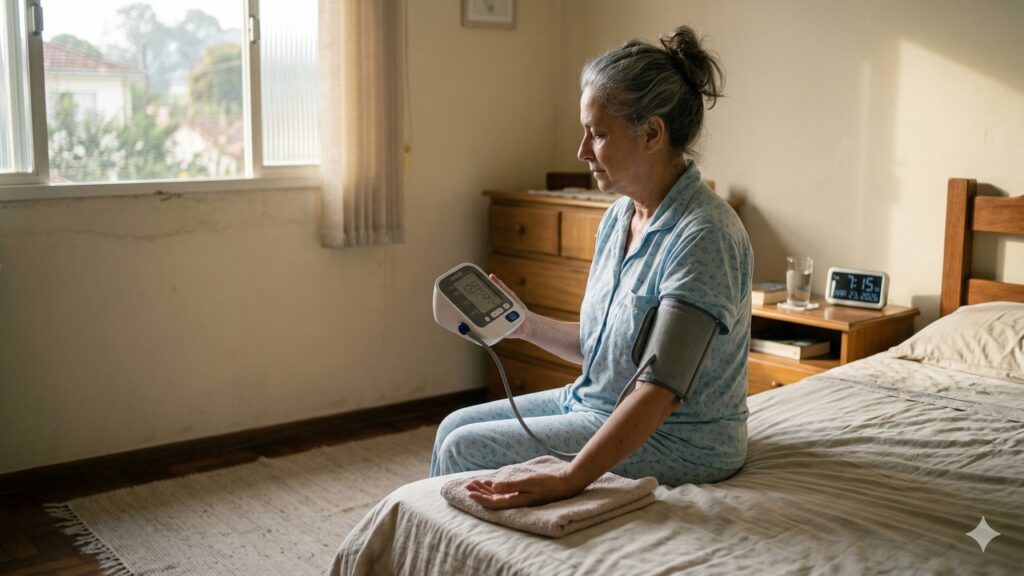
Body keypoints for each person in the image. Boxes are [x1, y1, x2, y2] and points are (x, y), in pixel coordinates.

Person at [430, 25, 752, 509]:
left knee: (463, 447)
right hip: (592, 402)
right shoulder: (620, 216)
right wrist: (526, 325)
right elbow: (607, 352)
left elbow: (660, 391)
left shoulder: (704, 234)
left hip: (681, 437)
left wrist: (570, 478)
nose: (582, 151)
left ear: (652, 133)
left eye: (597, 134)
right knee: (453, 425)